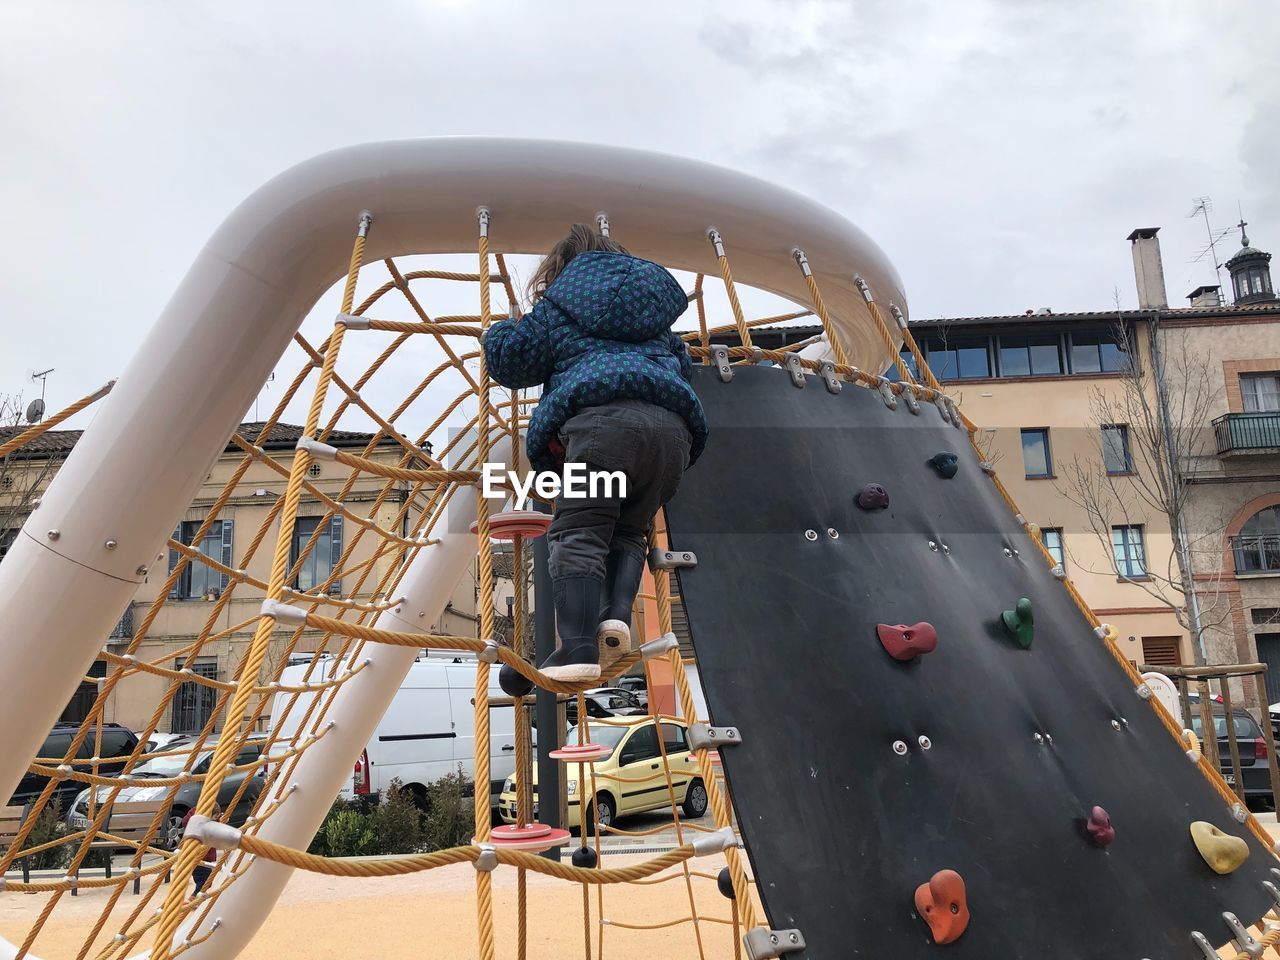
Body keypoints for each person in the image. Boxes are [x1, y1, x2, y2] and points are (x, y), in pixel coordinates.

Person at [484, 225, 707, 682]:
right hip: (673, 435)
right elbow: (683, 367)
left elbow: (512, 364)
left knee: (579, 531)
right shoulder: (656, 316)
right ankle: (614, 619)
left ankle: (577, 648)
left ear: (562, 268)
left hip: (603, 427)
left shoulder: (560, 305)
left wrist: (502, 330)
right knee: (629, 530)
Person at [182, 802, 221, 895]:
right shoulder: (199, 824)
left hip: (203, 858)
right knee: (204, 881)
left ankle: (196, 896)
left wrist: (219, 819)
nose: (216, 819)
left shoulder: (208, 823)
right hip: (199, 857)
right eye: (215, 816)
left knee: (204, 881)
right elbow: (186, 822)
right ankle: (195, 897)